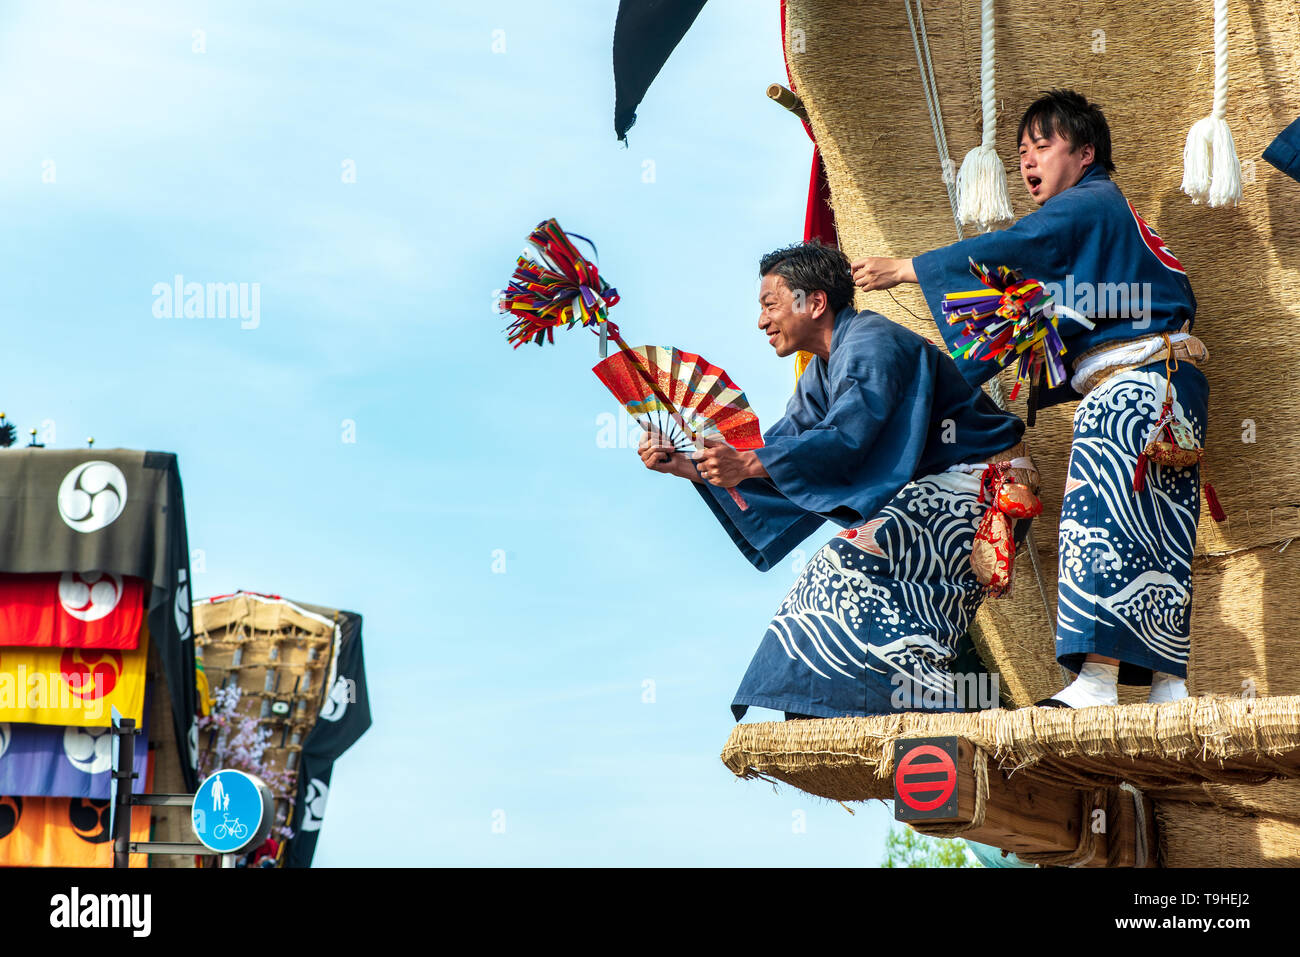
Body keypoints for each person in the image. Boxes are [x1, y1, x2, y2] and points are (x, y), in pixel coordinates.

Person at [851, 89, 1208, 708]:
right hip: (1172, 384)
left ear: (1086, 152)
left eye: (1042, 146)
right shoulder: (1112, 218)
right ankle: (1166, 684)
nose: (1026, 163)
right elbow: (1057, 299)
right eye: (1021, 152)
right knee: (1159, 527)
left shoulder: (1087, 204)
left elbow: (1017, 250)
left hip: (1131, 382)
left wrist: (910, 267)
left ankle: (1096, 680)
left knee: (1099, 520)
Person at [638, 240, 1030, 720]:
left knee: (843, 561)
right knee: (858, 579)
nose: (761, 322)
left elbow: (847, 434)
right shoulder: (821, 372)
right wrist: (686, 464)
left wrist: (748, 465)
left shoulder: (871, 340)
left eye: (769, 305)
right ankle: (840, 707)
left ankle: (930, 700)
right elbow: (782, 452)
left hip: (982, 485)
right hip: (937, 494)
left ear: (815, 302)